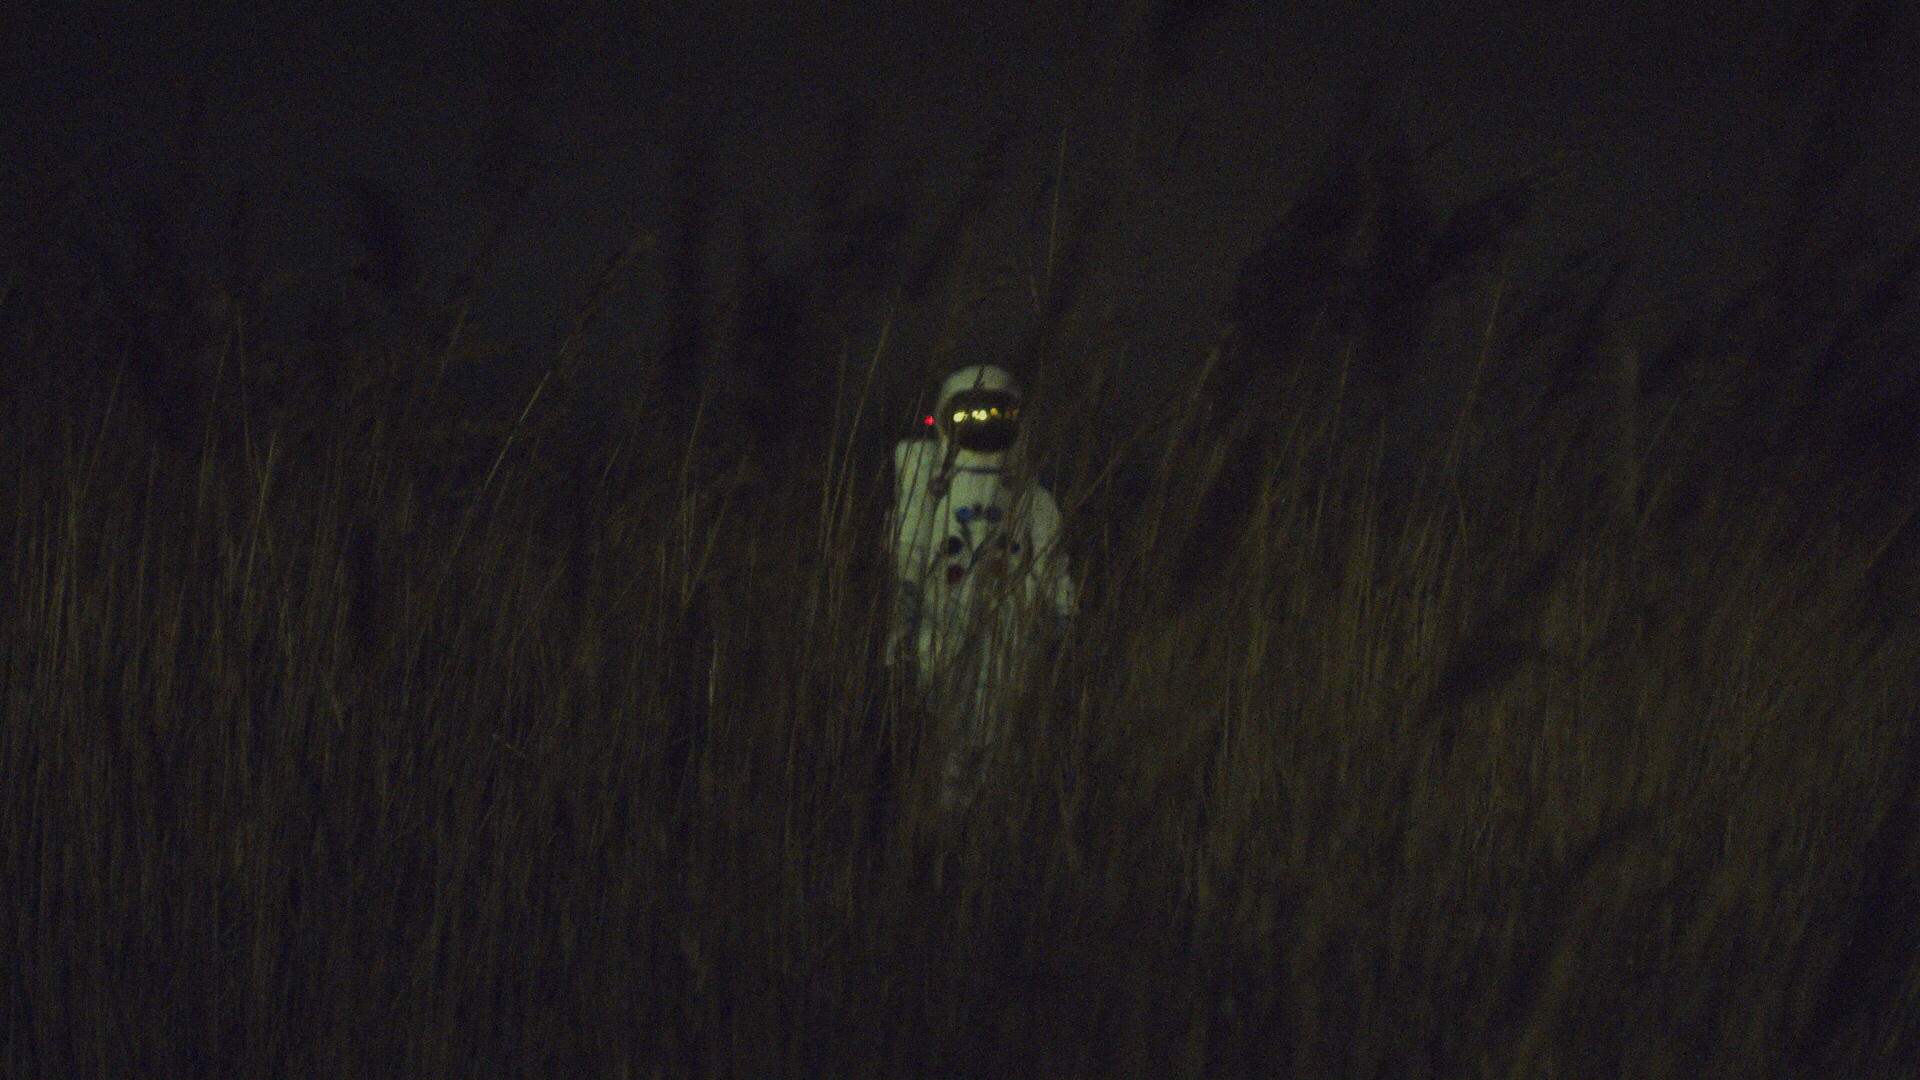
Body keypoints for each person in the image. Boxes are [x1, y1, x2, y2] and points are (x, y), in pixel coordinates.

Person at [885, 364, 1077, 809]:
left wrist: (1063, 614)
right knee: (946, 738)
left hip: (1009, 635)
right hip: (941, 626)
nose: (983, 422)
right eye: (969, 414)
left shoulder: (1030, 495)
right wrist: (904, 614)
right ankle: (947, 822)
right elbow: (909, 554)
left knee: (999, 736)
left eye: (995, 413)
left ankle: (990, 820)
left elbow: (1050, 564)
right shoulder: (926, 485)